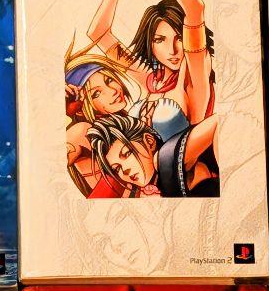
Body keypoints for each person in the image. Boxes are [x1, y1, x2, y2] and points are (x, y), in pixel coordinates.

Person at [64, 46, 187, 197]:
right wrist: (62, 114)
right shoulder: (83, 131)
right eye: (96, 93)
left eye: (109, 80)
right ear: (80, 108)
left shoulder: (130, 122)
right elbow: (50, 163)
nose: (113, 91)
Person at [86, 0, 214, 124]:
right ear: (150, 44)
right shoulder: (150, 80)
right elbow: (98, 33)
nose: (172, 50)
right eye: (159, 40)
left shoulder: (194, 77)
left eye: (180, 39)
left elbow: (194, 7)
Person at [86, 111, 220, 199]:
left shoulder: (164, 158)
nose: (124, 170)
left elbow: (217, 121)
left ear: (149, 141)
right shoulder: (148, 187)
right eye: (117, 168)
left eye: (127, 154)